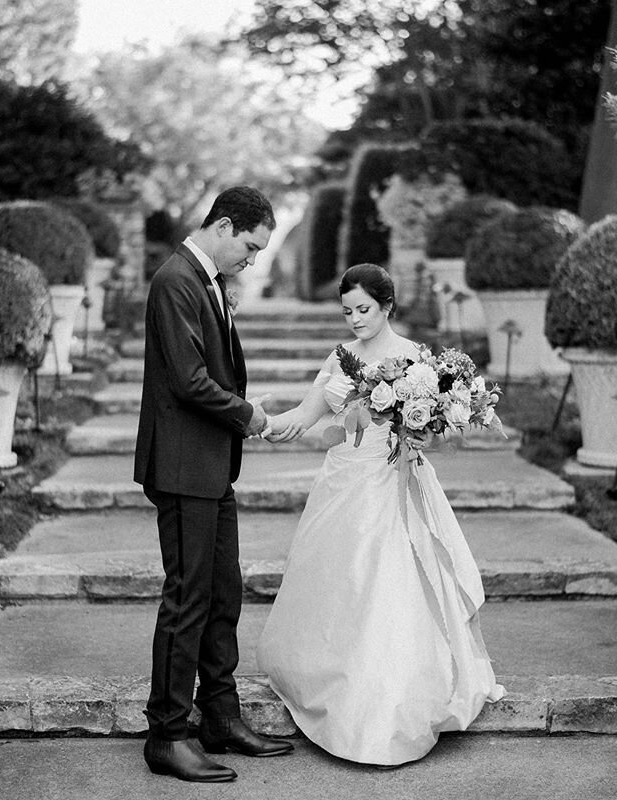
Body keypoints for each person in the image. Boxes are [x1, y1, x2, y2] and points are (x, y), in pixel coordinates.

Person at [257, 263, 505, 767]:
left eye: (364, 309)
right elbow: (306, 416)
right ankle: (331, 678)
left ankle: (390, 697)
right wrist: (256, 421)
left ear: (387, 306)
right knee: (340, 581)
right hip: (344, 481)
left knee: (389, 583)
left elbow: (431, 428)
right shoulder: (338, 357)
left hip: (395, 482)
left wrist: (418, 430)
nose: (355, 319)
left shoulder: (415, 357)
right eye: (347, 311)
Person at [134, 186, 301, 783]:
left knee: (222, 593)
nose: (251, 261)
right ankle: (168, 734)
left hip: (208, 466)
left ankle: (220, 718)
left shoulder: (207, 280)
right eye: (250, 248)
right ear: (225, 226)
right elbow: (188, 379)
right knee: (187, 601)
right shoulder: (176, 279)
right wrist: (249, 415)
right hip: (181, 466)